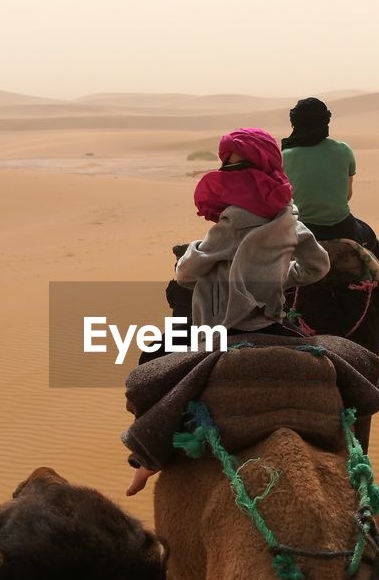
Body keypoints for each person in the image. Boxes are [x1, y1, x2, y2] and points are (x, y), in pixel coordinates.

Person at [126, 127, 329, 495]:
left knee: (152, 360)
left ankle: (144, 459)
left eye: (235, 169)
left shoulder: (231, 221)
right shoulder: (291, 220)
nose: (232, 176)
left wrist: (194, 252)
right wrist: (281, 278)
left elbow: (186, 272)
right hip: (273, 326)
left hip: (218, 331)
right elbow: (318, 267)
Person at [281, 97, 379, 335]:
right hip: (342, 228)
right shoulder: (343, 150)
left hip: (300, 231)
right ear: (325, 122)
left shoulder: (283, 157)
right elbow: (346, 194)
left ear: (295, 123)